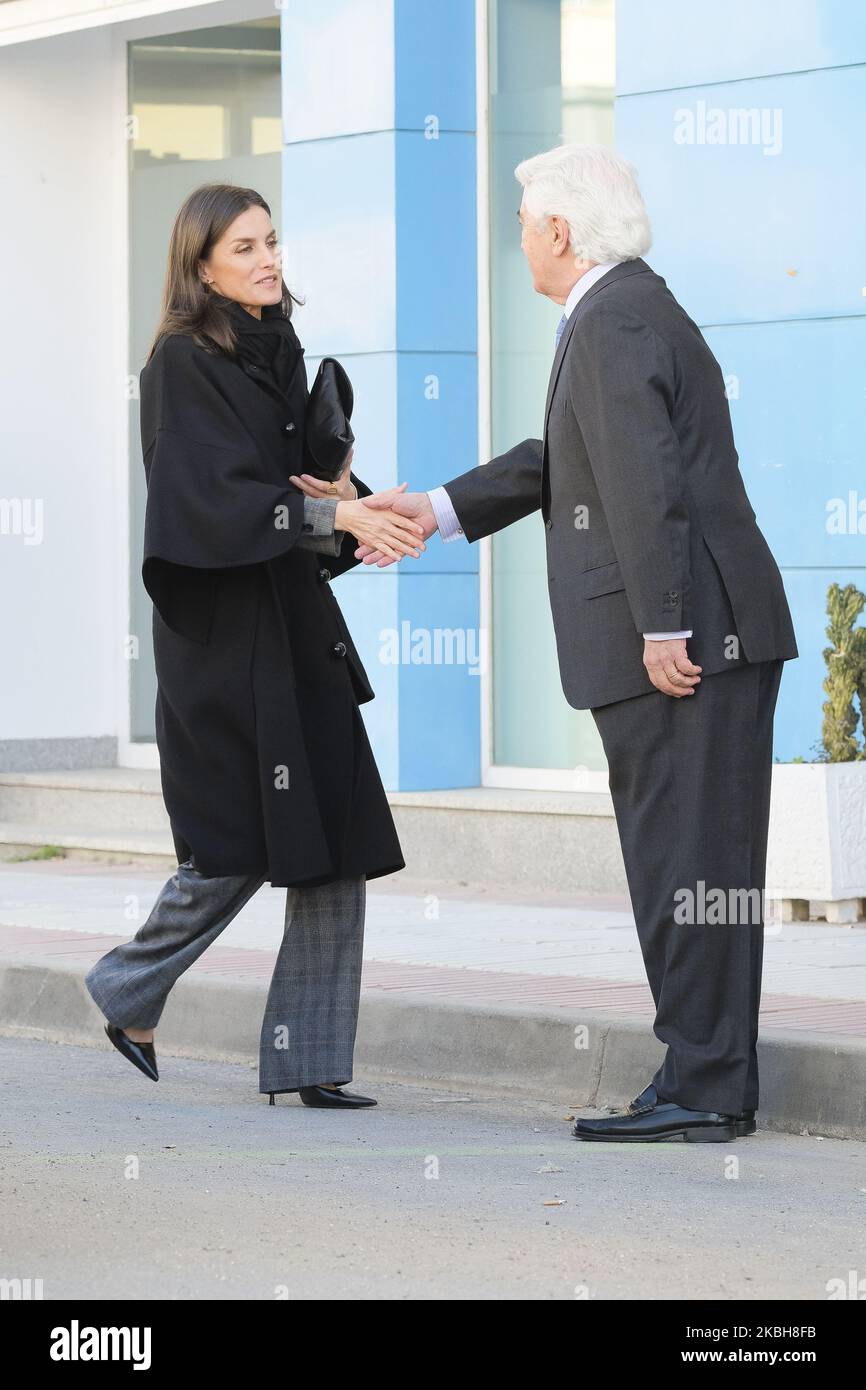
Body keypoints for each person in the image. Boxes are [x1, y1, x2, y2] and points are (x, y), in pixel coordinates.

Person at [332, 144, 799, 1142]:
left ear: (557, 229)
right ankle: (708, 1075)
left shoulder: (611, 317)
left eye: (521, 222)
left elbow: (643, 483)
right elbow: (566, 459)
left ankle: (703, 1084)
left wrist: (662, 624)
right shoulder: (623, 309)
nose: (516, 239)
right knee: (696, 861)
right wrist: (439, 505)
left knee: (686, 863)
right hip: (710, 629)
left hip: (689, 639)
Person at [85, 183, 426, 1110]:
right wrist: (331, 509)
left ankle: (309, 1061)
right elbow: (212, 504)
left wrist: (358, 509)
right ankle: (127, 988)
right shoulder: (179, 364)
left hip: (297, 634)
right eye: (245, 248)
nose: (268, 260)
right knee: (235, 842)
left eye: (272, 242)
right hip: (228, 644)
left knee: (336, 843)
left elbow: (307, 493)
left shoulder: (279, 350)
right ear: (201, 265)